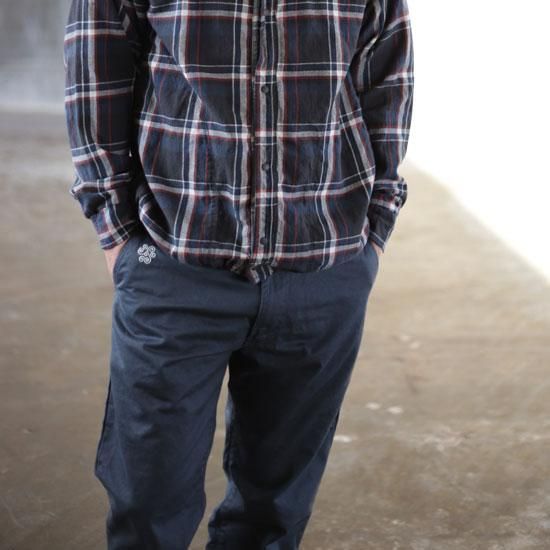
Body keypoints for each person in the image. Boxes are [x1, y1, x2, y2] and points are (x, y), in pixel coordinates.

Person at [63, 0, 414, 547]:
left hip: (323, 271)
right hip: (175, 266)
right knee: (148, 504)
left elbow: (387, 78)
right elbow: (96, 68)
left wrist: (376, 227)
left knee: (274, 512)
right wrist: (118, 234)